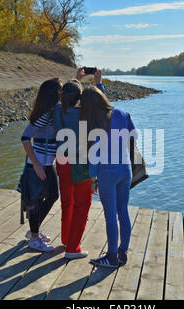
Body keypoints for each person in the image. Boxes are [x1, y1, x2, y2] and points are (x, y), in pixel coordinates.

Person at [80, 85, 137, 268]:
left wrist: (93, 178)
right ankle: (123, 252)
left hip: (107, 172)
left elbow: (94, 155)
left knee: (110, 215)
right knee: (123, 211)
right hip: (125, 169)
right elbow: (134, 135)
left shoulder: (95, 122)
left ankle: (111, 256)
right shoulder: (122, 112)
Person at [53, 68, 106, 260]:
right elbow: (101, 106)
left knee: (67, 201)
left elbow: (69, 95)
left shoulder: (59, 109)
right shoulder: (84, 111)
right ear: (80, 96)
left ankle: (67, 238)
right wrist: (98, 82)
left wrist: (76, 80)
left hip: (62, 160)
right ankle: (72, 248)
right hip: (80, 162)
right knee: (82, 204)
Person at [20, 78, 62, 252]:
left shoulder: (52, 113)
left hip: (47, 163)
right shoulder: (44, 116)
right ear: (54, 94)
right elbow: (24, 138)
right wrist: (36, 164)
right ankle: (35, 238)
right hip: (37, 165)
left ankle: (33, 230)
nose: (63, 93)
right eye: (60, 90)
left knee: (52, 196)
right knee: (35, 201)